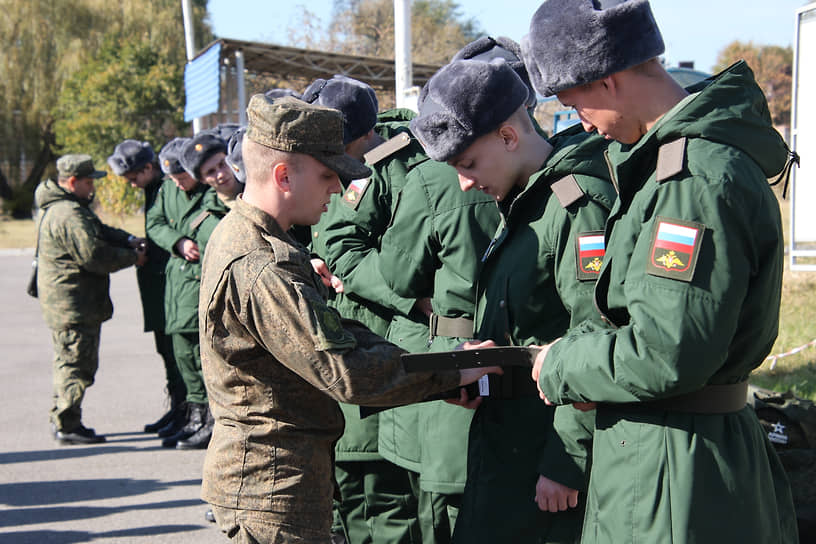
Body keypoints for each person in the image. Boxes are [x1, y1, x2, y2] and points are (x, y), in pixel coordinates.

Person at [522, 0, 799, 542]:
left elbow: (667, 350)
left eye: (576, 106)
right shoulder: (669, 168)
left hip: (676, 464)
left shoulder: (691, 181)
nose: (584, 126)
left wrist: (558, 364)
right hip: (664, 452)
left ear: (609, 79)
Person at [198, 93, 497, 543]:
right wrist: (452, 372)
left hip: (280, 477)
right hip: (273, 488)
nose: (337, 190)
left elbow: (338, 336)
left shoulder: (253, 238)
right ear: (283, 175)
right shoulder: (262, 266)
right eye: (326, 176)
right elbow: (343, 371)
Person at [410, 57, 615, 543]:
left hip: (545, 452)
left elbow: (594, 333)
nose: (463, 182)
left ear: (508, 136)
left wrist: (567, 461)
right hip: (502, 440)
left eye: (468, 164)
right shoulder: (522, 200)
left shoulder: (574, 206)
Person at [35, 154, 146, 445]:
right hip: (74, 305)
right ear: (72, 182)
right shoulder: (69, 214)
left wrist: (126, 239)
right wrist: (133, 256)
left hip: (69, 303)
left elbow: (99, 231)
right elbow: (94, 255)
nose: (92, 188)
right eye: (87, 182)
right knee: (76, 365)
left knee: (68, 361)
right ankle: (67, 423)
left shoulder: (67, 209)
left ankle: (62, 416)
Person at [146, 136, 227, 449]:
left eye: (182, 177)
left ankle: (208, 419)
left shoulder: (211, 192)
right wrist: (177, 242)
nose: (179, 185)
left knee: (201, 353)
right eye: (173, 179)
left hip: (198, 282)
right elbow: (154, 222)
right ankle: (194, 416)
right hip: (177, 283)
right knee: (183, 353)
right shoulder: (168, 190)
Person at [107, 139, 184, 433]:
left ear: (148, 168)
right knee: (165, 351)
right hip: (157, 286)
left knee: (178, 353)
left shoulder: (168, 187)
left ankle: (188, 409)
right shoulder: (153, 188)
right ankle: (178, 407)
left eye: (132, 178)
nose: (130, 184)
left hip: (170, 285)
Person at [181, 132, 242, 208]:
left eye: (222, 164)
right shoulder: (209, 216)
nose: (221, 174)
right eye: (211, 172)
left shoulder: (257, 191)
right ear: (202, 179)